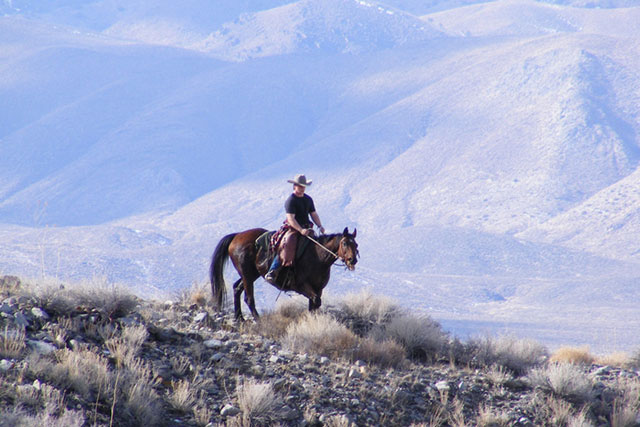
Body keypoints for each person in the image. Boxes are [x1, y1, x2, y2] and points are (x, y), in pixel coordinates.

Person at [265, 174, 325, 283]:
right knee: (288, 244)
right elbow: (291, 219)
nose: (302, 188)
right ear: (294, 186)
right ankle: (273, 270)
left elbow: (313, 214)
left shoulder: (308, 199)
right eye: (300, 186)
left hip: (307, 228)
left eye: (304, 186)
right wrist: (300, 230)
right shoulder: (291, 200)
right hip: (293, 228)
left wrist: (320, 225)